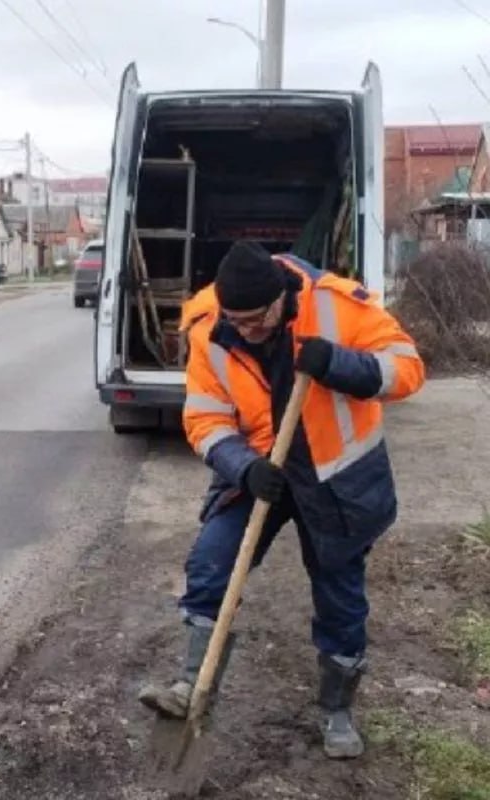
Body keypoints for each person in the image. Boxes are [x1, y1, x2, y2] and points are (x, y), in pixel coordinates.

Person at [137, 240, 425, 759]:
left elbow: (407, 370)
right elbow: (204, 419)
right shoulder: (209, 326)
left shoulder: (338, 306)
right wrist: (243, 469)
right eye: (235, 320)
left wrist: (339, 362)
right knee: (211, 565)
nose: (244, 331)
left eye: (254, 320)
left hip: (335, 476)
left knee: (338, 592)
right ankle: (193, 683)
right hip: (260, 468)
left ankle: (337, 710)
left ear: (281, 299)